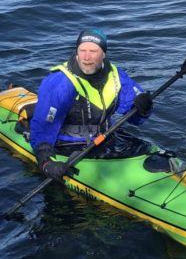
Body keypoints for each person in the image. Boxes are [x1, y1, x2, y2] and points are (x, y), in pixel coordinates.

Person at [29, 28, 153, 180]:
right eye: (82, 50)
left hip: (106, 138)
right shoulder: (59, 83)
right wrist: (46, 162)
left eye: (93, 51)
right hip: (65, 146)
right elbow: (44, 126)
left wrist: (144, 107)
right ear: (76, 53)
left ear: (103, 54)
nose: (87, 57)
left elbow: (136, 119)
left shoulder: (117, 77)